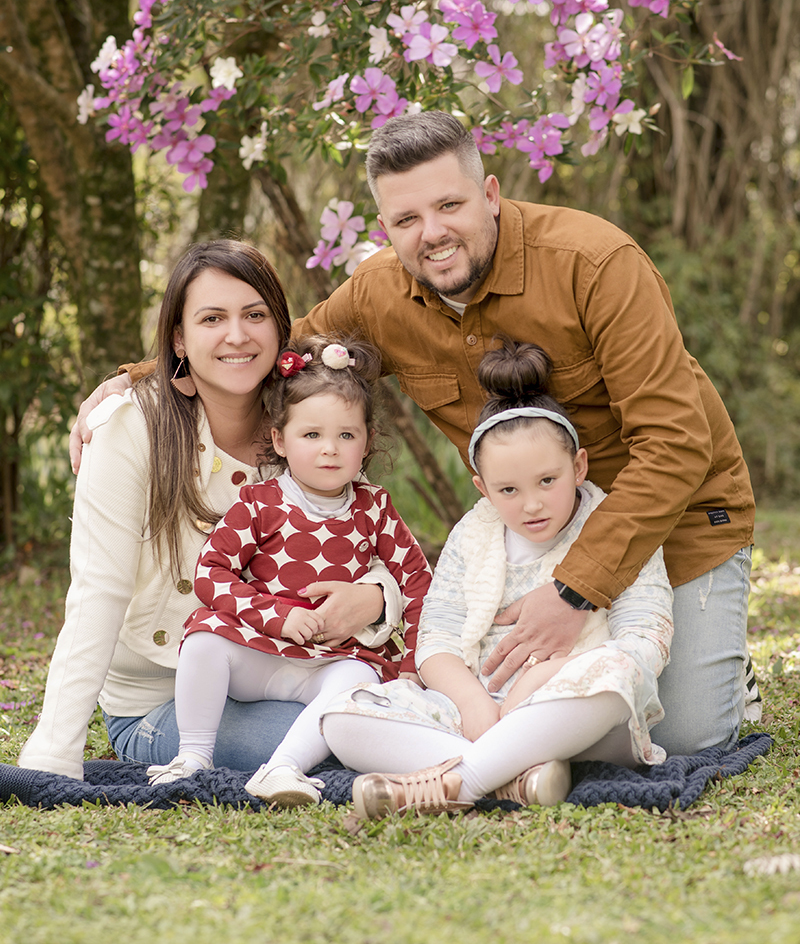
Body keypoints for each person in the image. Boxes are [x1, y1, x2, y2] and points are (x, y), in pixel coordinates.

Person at [70, 112, 757, 756]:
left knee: (682, 733)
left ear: (491, 194)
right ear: (386, 226)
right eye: (407, 219)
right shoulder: (381, 293)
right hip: (522, 539)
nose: (432, 233)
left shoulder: (596, 263)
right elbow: (275, 348)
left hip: (673, 521)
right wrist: (143, 375)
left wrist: (576, 590)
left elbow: (676, 444)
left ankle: (714, 662)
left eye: (449, 205)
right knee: (506, 713)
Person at [19, 242, 401, 781]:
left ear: (281, 329)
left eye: (255, 315)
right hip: (167, 699)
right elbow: (97, 591)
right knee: (350, 736)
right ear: (180, 337)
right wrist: (53, 754)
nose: (237, 335)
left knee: (384, 713)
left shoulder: (307, 422)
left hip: (294, 668)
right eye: (212, 318)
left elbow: (366, 535)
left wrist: (377, 596)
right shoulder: (131, 427)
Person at [320, 339, 674, 817]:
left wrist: (543, 678)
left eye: (547, 481)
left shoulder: (614, 527)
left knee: (618, 672)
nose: (532, 504)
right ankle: (518, 778)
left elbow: (646, 639)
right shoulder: (474, 534)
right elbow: (437, 640)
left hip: (574, 710)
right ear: (483, 489)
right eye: (508, 489)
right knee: (341, 720)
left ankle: (461, 782)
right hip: (479, 708)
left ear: (578, 467)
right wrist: (475, 705)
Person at [146, 334, 431, 807]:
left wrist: (411, 669)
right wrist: (277, 616)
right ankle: (192, 757)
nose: (329, 450)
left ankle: (284, 767)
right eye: (311, 435)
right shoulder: (261, 502)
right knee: (203, 639)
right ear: (280, 439)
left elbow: (418, 583)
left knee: (356, 681)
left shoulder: (374, 507)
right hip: (256, 653)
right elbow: (211, 573)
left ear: (367, 441)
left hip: (331, 661)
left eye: (346, 435)